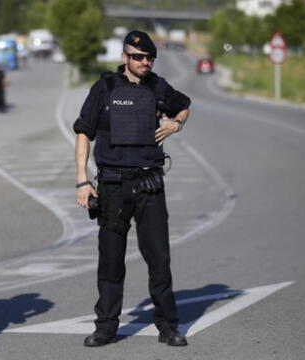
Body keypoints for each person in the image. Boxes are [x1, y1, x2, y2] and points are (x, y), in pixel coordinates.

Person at [74, 30, 191, 348]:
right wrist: (82, 180)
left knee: (159, 259)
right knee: (110, 261)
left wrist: (176, 123)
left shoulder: (158, 87)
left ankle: (167, 326)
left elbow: (184, 105)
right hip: (111, 186)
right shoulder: (105, 88)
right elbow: (83, 132)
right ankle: (106, 327)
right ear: (124, 57)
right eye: (138, 57)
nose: (144, 61)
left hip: (149, 184)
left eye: (149, 57)